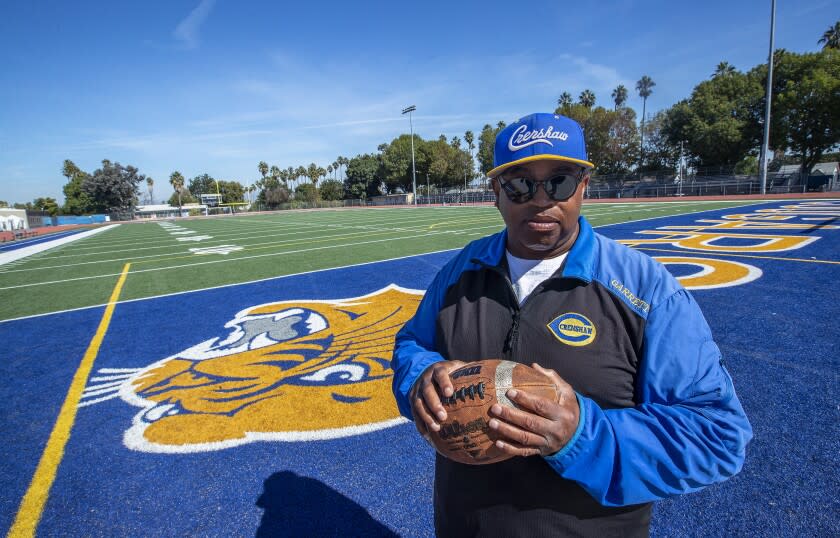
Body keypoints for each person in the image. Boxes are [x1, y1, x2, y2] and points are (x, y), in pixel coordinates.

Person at [391, 113, 752, 537]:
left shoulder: (646, 289)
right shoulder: (459, 271)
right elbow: (412, 344)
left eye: (559, 181)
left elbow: (717, 435)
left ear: (583, 186)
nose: (541, 199)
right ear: (496, 192)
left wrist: (582, 436)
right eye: (520, 183)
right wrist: (419, 379)